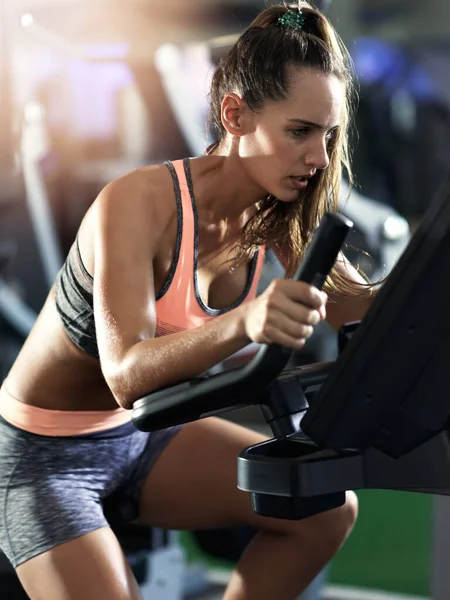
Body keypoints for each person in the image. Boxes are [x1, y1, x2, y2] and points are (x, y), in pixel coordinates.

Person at [0, 2, 376, 599]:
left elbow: (353, 307)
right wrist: (246, 322)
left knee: (325, 511)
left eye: (328, 135)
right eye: (300, 131)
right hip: (45, 459)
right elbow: (125, 375)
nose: (320, 158)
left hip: (142, 439)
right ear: (235, 114)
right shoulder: (137, 204)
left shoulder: (274, 214)